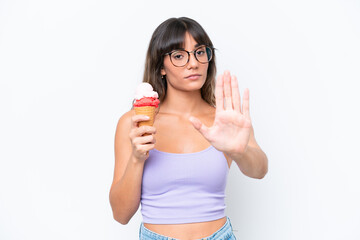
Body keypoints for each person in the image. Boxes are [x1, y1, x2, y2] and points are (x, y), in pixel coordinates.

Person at [109, 17, 268, 240]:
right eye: (179, 56)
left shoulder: (225, 118)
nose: (193, 63)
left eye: (200, 52)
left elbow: (259, 170)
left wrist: (238, 151)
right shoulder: (134, 123)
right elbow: (121, 214)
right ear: (161, 67)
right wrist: (137, 158)